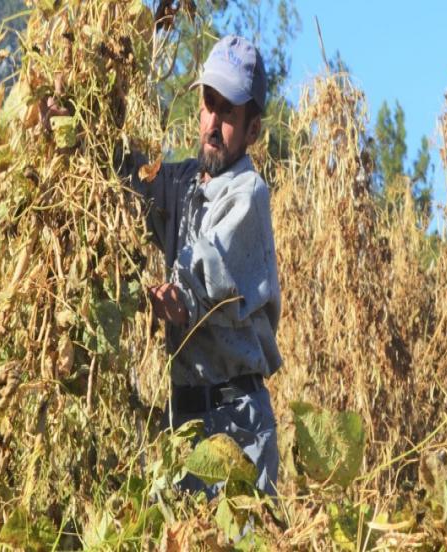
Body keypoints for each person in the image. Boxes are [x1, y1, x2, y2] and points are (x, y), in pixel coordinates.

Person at [122, 35, 282, 497]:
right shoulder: (182, 184)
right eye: (208, 105)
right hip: (186, 421)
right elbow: (125, 179)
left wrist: (170, 299)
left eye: (227, 113)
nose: (213, 123)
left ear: (252, 129)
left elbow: (201, 276)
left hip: (236, 423)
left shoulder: (247, 194)